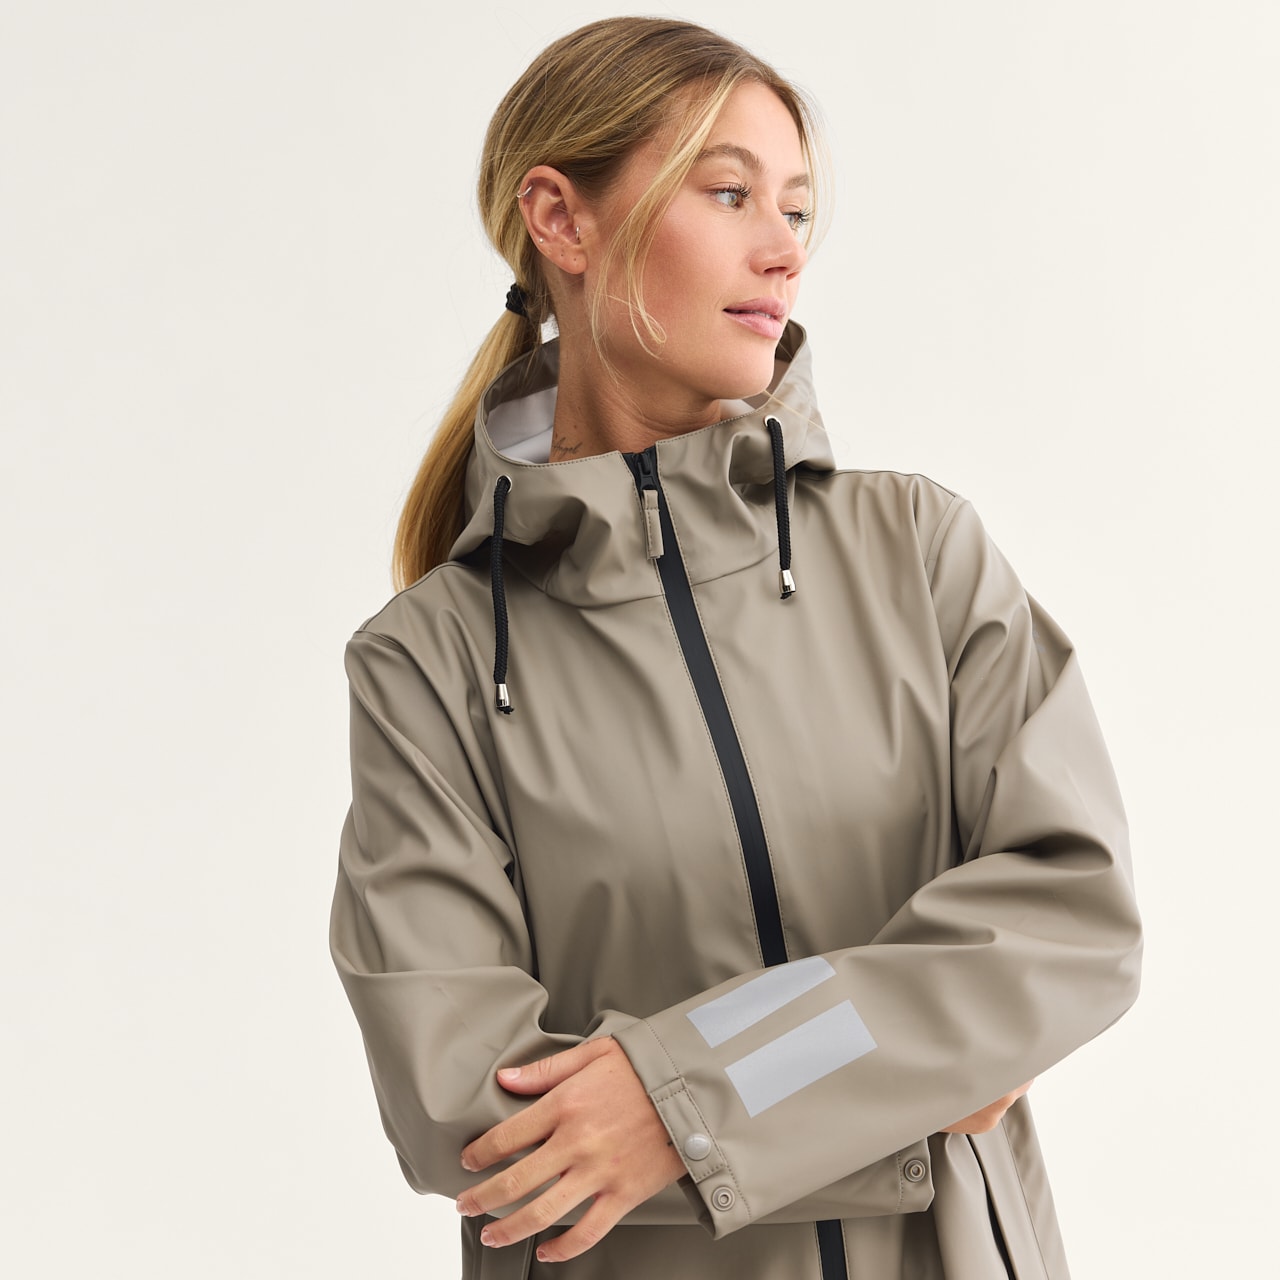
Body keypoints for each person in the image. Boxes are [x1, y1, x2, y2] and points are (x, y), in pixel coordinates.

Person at [329, 16, 1142, 1279]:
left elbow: (1070, 919)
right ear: (561, 219)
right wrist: (916, 1067)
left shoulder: (917, 552)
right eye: (727, 194)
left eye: (797, 209)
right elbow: (471, 1115)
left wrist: (678, 1099)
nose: (783, 249)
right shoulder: (425, 666)